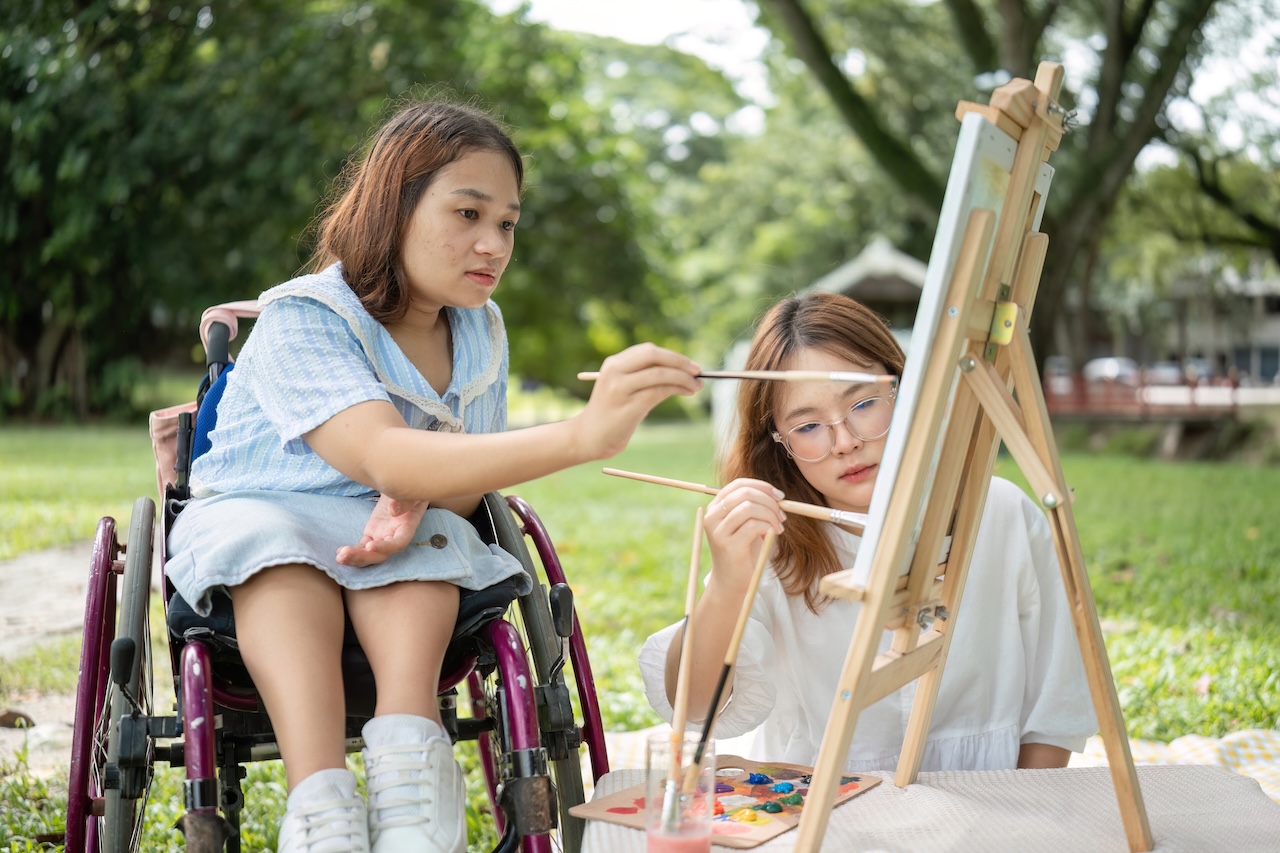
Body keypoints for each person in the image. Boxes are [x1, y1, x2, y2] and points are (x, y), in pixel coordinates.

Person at [165, 97, 703, 853]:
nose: (493, 244)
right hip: (267, 504)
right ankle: (320, 803)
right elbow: (384, 454)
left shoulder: (479, 328)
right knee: (280, 557)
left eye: (507, 223)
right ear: (394, 208)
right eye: (468, 213)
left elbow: (458, 481)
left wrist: (415, 499)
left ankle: (408, 768)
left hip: (392, 512)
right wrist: (584, 435)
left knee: (423, 555)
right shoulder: (305, 317)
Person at [639, 292, 1096, 772]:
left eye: (863, 403)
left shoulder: (1002, 511)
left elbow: (1055, 710)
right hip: (819, 799)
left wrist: (1017, 808)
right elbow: (695, 707)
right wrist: (729, 582)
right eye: (808, 426)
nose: (845, 442)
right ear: (779, 444)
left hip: (987, 799)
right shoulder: (768, 537)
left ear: (904, 389)